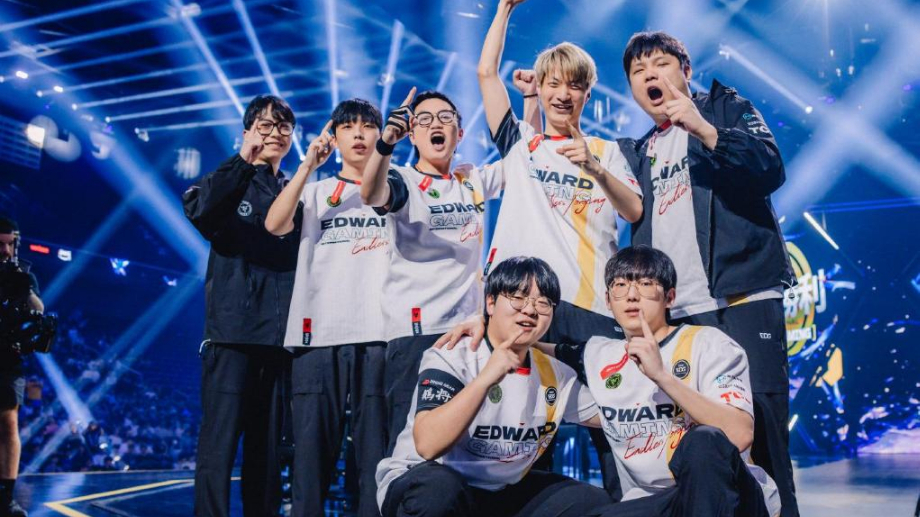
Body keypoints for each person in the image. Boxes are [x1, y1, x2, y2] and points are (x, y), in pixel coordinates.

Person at [621, 31, 797, 516]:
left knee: (763, 439)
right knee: (699, 445)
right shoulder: (639, 150)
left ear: (686, 70)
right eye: (638, 71)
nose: (650, 75)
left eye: (660, 63)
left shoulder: (724, 109)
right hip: (679, 317)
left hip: (741, 301)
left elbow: (770, 167)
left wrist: (704, 129)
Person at [544, 246, 781, 516]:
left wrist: (661, 376)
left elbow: (739, 435)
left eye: (646, 284)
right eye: (620, 285)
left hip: (729, 498)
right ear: (608, 300)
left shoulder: (708, 344)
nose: (632, 295)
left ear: (669, 297)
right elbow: (534, 349)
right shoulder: (599, 354)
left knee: (703, 441)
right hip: (661, 501)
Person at [375, 257, 611, 517]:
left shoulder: (556, 374)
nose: (530, 310)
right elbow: (428, 445)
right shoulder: (454, 355)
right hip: (424, 478)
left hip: (498, 491)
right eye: (518, 298)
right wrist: (486, 378)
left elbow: (612, 417)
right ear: (490, 303)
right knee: (439, 491)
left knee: (590, 501)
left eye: (543, 303)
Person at [360, 88, 505, 450]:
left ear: (460, 132)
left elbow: (522, 161)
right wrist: (384, 144)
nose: (435, 124)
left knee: (466, 444)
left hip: (469, 334)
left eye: (445, 118)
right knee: (411, 447)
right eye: (423, 119)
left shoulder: (471, 181)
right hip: (417, 333)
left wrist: (531, 99)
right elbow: (372, 195)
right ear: (412, 134)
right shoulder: (403, 180)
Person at [265, 98, 388, 517]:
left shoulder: (397, 190)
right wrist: (306, 166)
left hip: (380, 335)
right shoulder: (315, 191)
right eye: (348, 127)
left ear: (381, 135)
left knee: (375, 461)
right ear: (333, 138)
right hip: (318, 336)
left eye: (368, 126)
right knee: (310, 461)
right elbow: (274, 224)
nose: (359, 134)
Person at [183, 95, 299, 517]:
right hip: (231, 336)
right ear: (248, 131)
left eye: (284, 128)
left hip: (279, 340)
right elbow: (199, 211)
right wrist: (242, 161)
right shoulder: (231, 179)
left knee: (267, 453)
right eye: (266, 126)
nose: (275, 134)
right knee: (219, 446)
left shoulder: (293, 190)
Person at [0, 217, 43, 517]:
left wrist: (25, 289)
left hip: (7, 357)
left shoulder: (23, 274)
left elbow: (39, 311)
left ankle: (5, 498)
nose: (5, 250)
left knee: (8, 423)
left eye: (9, 244)